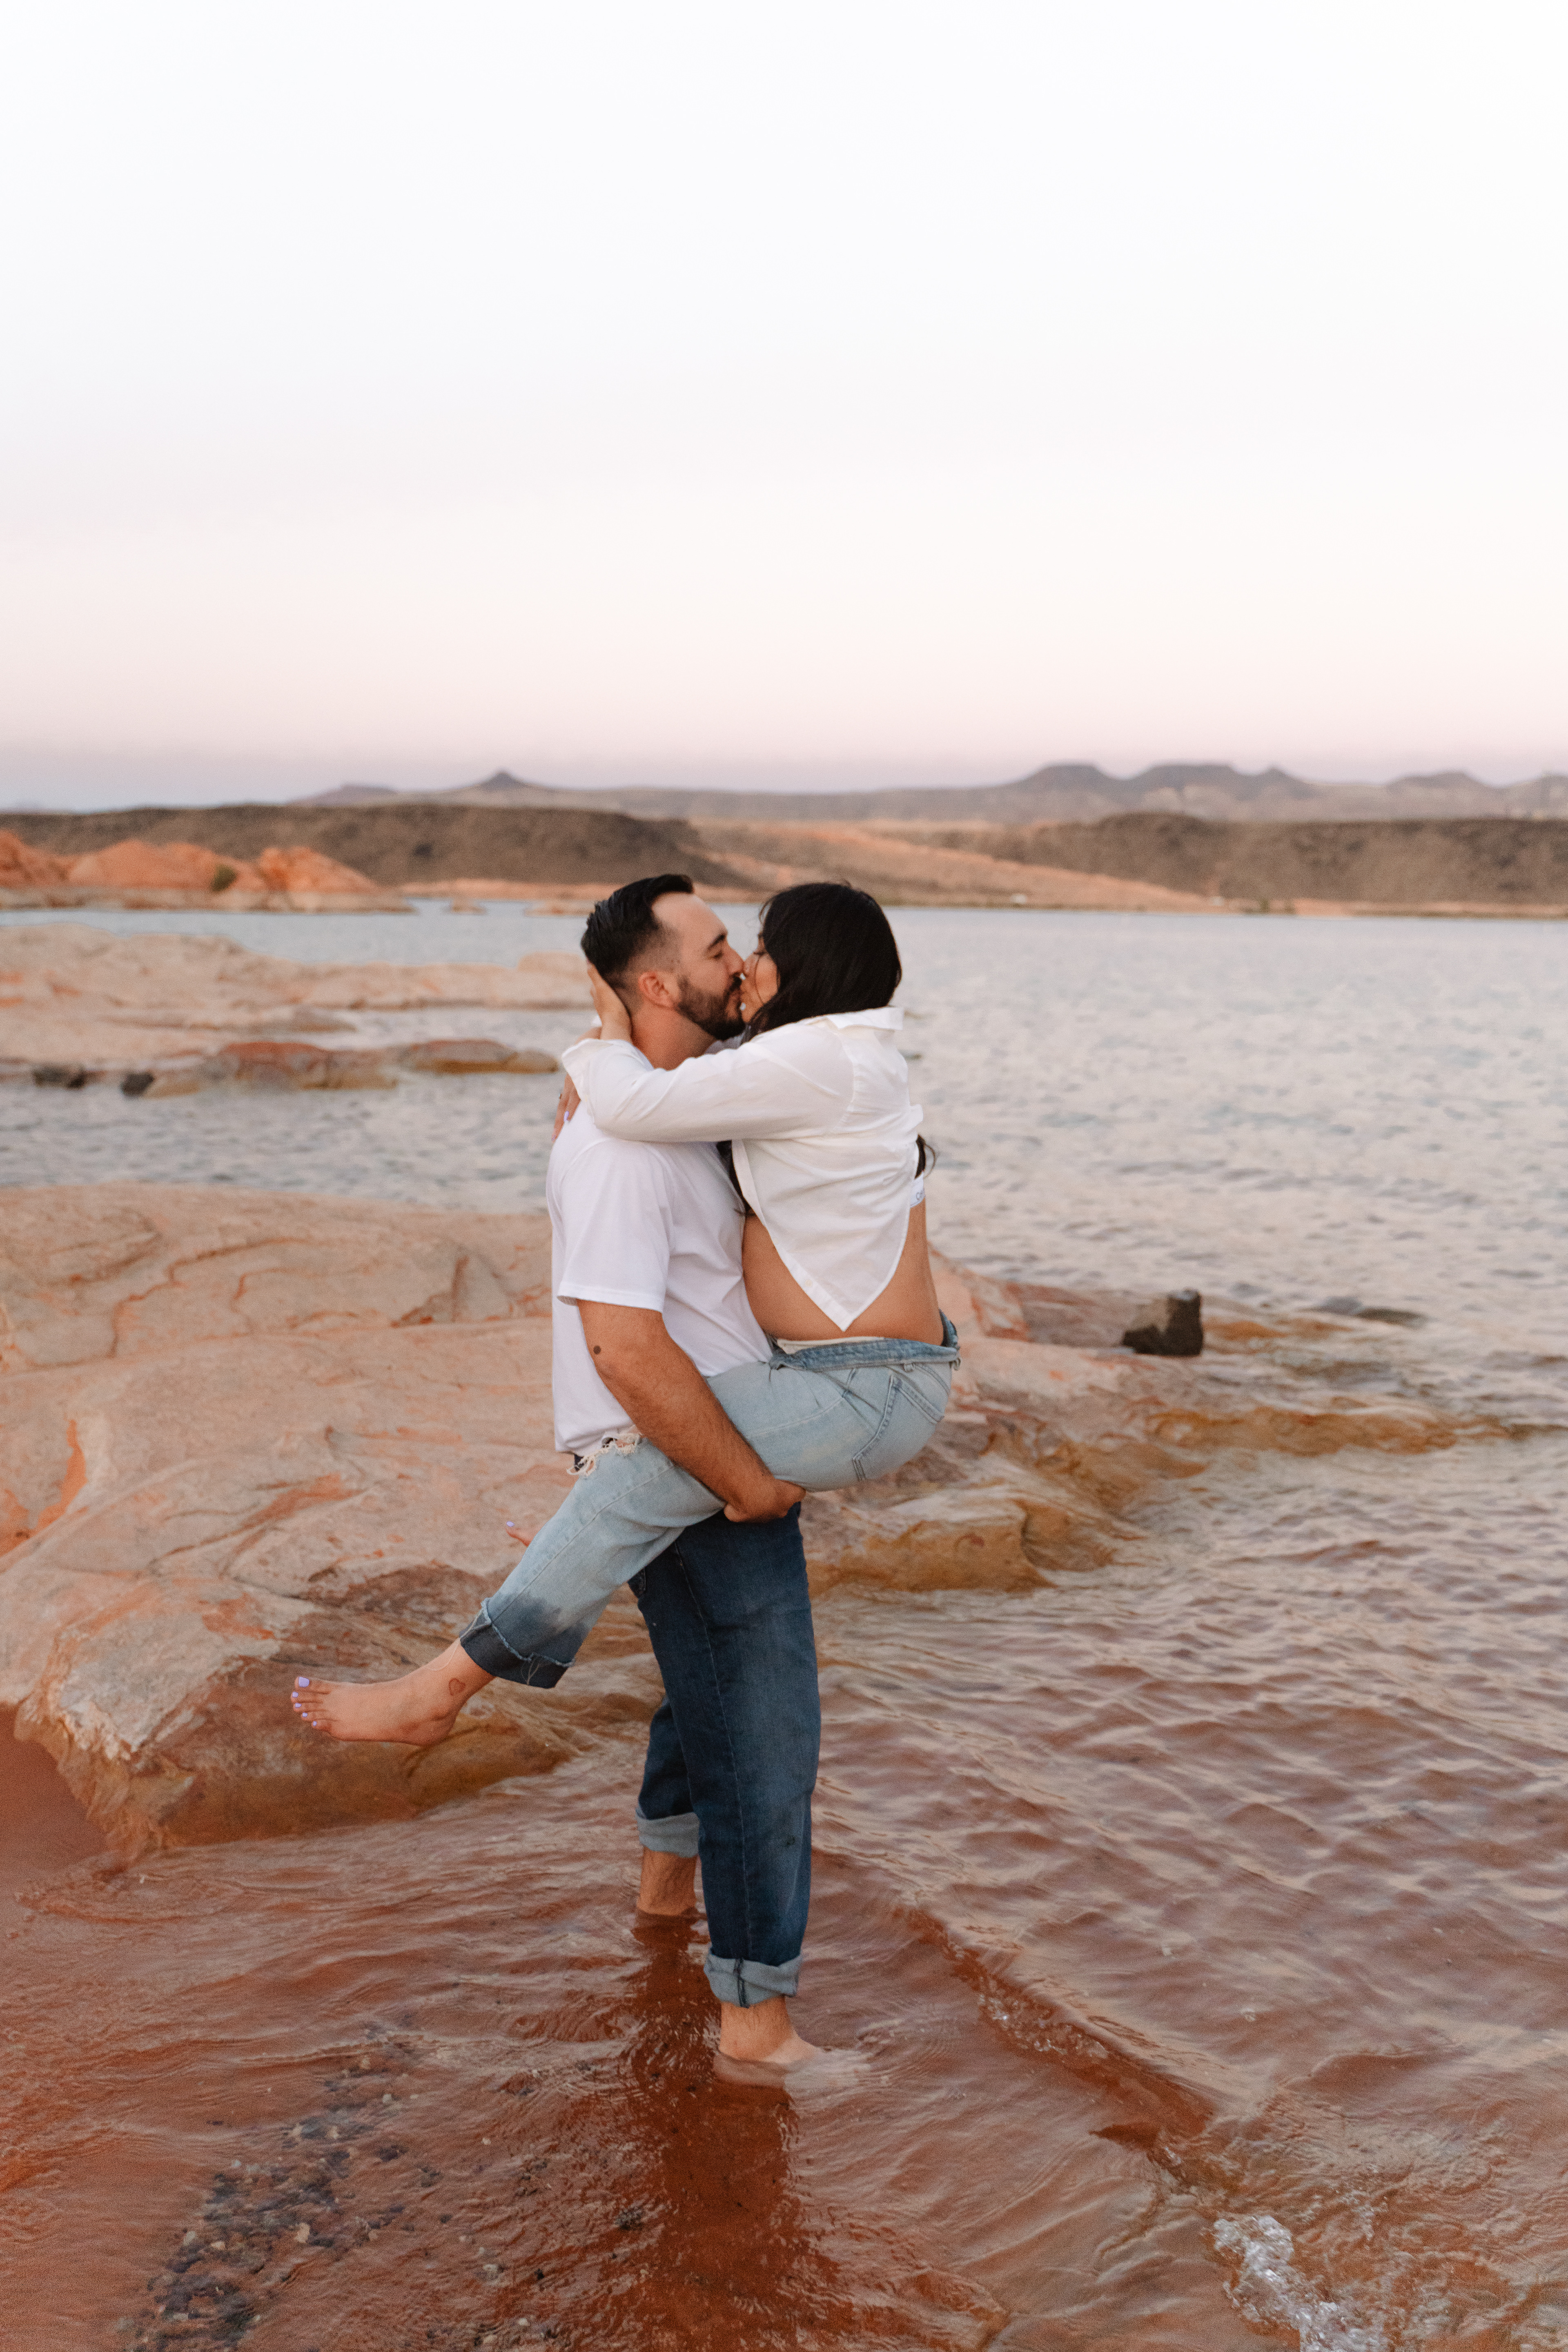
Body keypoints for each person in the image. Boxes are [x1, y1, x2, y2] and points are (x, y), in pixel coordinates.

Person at [294, 874, 957, 2071]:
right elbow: (623, 1344)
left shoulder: (703, 1104)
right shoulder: (631, 1135)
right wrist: (745, 1482)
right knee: (763, 1742)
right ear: (661, 984)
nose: (740, 967)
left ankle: (661, 1908)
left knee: (704, 1699)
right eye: (720, 949)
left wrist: (598, 1057)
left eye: (750, 950)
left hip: (760, 1420)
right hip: (705, 1442)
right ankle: (757, 2029)